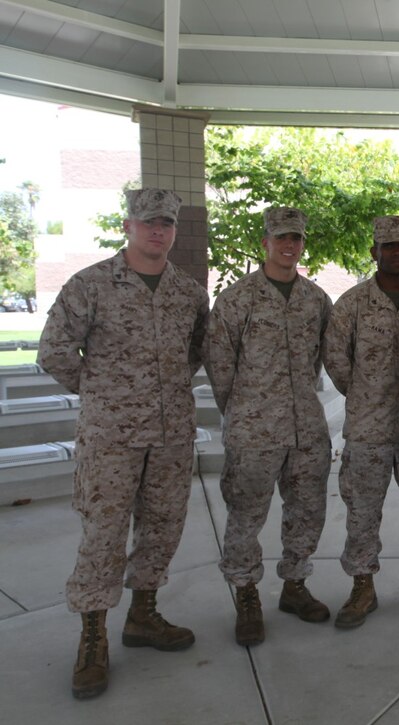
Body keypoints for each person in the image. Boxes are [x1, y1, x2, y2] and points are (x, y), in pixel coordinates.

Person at [38, 188, 208, 700]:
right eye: (148, 221)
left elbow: (197, 349)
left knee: (162, 525)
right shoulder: (91, 283)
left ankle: (143, 615)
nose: (158, 230)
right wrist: (102, 392)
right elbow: (54, 350)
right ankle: (93, 637)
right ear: (128, 226)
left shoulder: (187, 291)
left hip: (171, 433)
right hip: (111, 436)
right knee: (104, 533)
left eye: (166, 223)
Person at [204, 206, 333, 646]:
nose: (289, 245)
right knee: (246, 514)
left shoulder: (316, 299)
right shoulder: (237, 299)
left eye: (296, 238)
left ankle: (295, 585)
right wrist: (242, 410)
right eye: (281, 238)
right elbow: (220, 366)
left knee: (307, 510)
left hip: (306, 429)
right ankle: (246, 595)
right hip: (253, 430)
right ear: (265, 243)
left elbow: (318, 359)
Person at [323, 215, 399, 629]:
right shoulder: (351, 304)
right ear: (374, 252)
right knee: (362, 510)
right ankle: (362, 585)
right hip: (368, 429)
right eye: (388, 246)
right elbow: (336, 358)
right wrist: (363, 395)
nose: (396, 253)